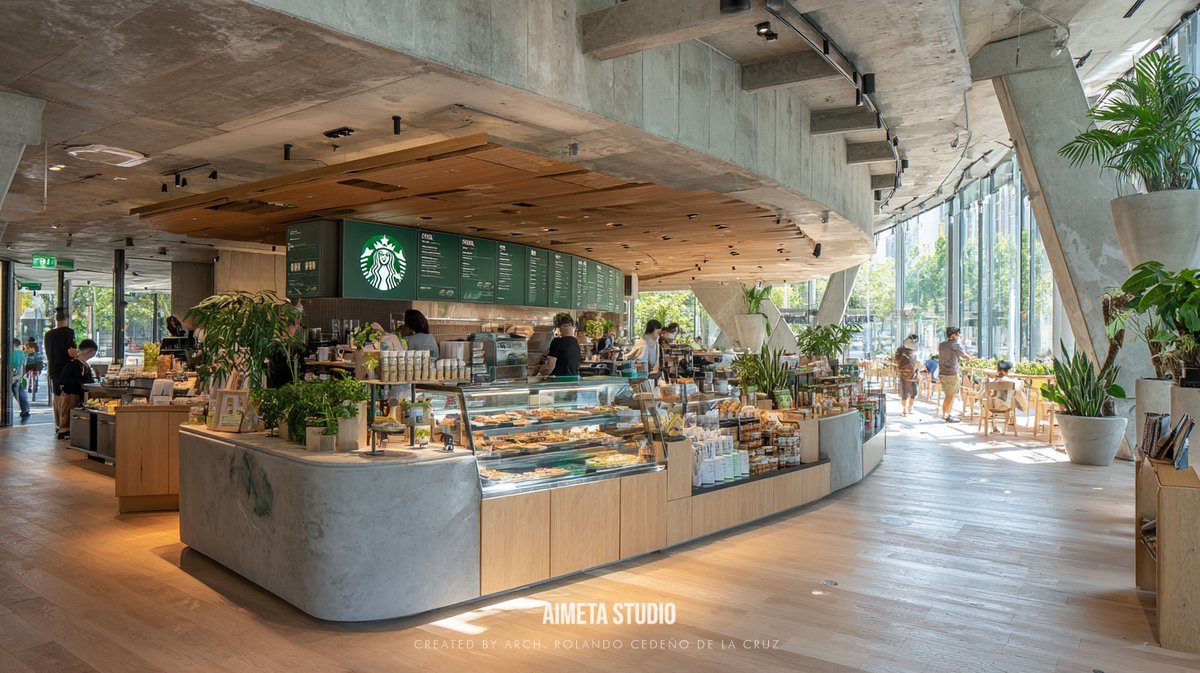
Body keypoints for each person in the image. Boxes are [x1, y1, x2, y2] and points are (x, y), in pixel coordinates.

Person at [44, 308, 77, 432]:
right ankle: (65, 426)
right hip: (66, 370)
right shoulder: (69, 333)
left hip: (53, 369)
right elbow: (71, 351)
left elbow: (48, 353)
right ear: (67, 319)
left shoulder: (48, 334)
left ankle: (58, 423)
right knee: (66, 397)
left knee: (57, 395)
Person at [56, 338, 97, 440]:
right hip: (72, 395)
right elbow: (82, 382)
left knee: (66, 415)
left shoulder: (76, 364)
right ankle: (65, 432)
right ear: (90, 351)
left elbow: (62, 381)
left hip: (68, 394)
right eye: (93, 353)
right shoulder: (79, 365)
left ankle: (65, 432)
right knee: (68, 416)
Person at [937, 326, 972, 423]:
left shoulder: (942, 345)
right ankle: (946, 415)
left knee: (949, 395)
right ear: (952, 336)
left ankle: (947, 414)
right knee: (950, 395)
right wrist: (970, 358)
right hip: (951, 373)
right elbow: (965, 356)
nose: (958, 336)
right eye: (957, 334)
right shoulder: (955, 345)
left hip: (942, 373)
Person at [894, 334, 919, 417]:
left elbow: (897, 361)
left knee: (908, 392)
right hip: (911, 375)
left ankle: (906, 409)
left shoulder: (901, 351)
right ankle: (907, 408)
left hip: (905, 374)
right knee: (911, 392)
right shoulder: (908, 352)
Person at [11, 338, 29, 420]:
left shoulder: (14, 353)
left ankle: (25, 410)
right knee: (20, 391)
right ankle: (25, 410)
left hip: (13, 376)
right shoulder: (22, 354)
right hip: (19, 376)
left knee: (18, 391)